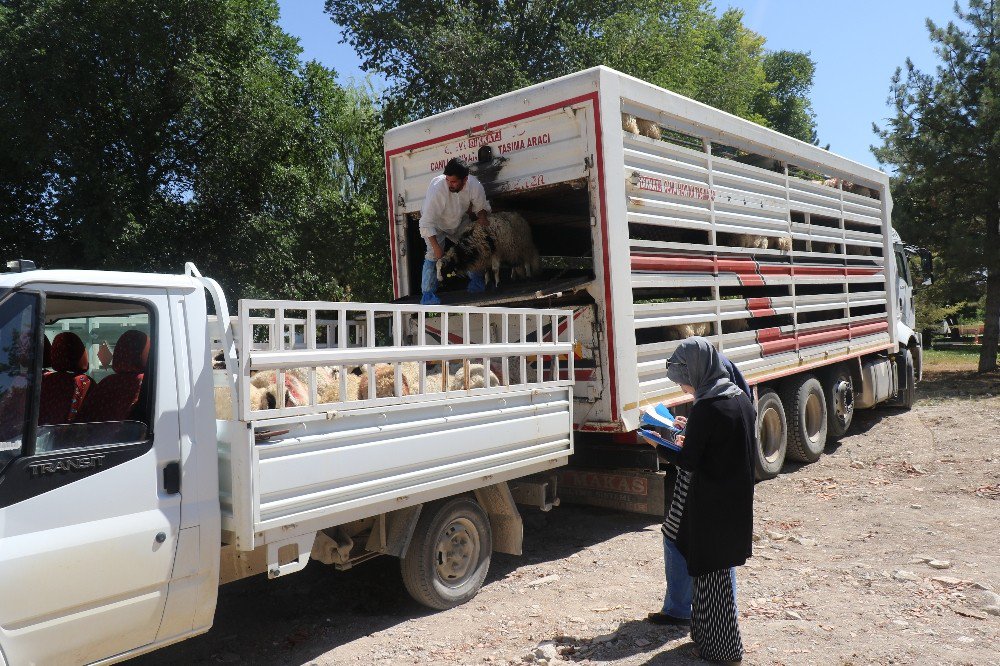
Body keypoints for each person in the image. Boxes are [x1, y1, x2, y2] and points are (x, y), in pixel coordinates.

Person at [644, 337, 755, 664]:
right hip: (734, 499)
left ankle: (724, 650)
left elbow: (690, 460)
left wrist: (656, 444)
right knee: (713, 575)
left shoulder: (708, 408)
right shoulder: (738, 398)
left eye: (683, 378)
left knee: (713, 582)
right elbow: (723, 444)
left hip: (712, 502)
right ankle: (707, 642)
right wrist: (690, 429)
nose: (682, 385)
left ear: (697, 370)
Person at [419, 158, 491, 305]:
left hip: (458, 222)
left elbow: (480, 206)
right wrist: (437, 247)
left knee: (472, 247)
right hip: (436, 225)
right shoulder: (438, 187)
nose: (449, 184)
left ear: (464, 180)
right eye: (447, 180)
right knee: (433, 254)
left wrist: (482, 219)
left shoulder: (474, 185)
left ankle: (477, 284)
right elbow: (426, 222)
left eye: (453, 182)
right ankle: (428, 295)